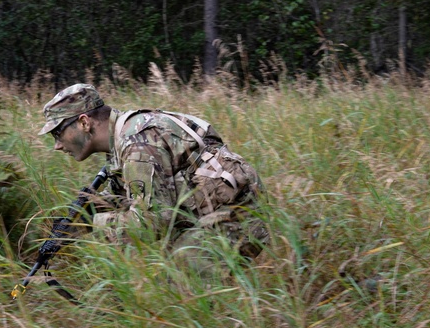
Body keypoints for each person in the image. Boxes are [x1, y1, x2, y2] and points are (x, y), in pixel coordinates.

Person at [38, 83, 267, 275]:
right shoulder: (123, 138)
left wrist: (88, 225)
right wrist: (91, 209)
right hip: (210, 209)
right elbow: (136, 198)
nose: (57, 145)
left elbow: (151, 223)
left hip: (241, 215)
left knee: (180, 279)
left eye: (58, 133)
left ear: (84, 122)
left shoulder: (137, 144)